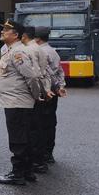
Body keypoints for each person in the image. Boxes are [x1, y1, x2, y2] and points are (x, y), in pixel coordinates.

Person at [0, 20, 46, 185]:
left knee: (18, 140)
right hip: (15, 101)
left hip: (17, 102)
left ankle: (18, 174)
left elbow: (31, 76)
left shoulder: (18, 52)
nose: (2, 32)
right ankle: (27, 171)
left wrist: (36, 95)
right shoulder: (12, 50)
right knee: (25, 138)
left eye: (6, 30)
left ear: (15, 34)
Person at [21, 27, 53, 174]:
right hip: (40, 91)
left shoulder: (30, 49)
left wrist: (36, 94)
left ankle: (36, 162)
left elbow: (33, 76)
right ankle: (39, 160)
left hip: (33, 94)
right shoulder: (38, 48)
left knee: (33, 130)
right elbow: (45, 73)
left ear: (24, 35)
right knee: (37, 128)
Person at [35, 26, 66, 165]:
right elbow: (60, 71)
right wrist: (60, 86)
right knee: (50, 123)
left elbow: (47, 73)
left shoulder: (40, 52)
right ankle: (49, 153)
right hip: (53, 92)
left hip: (44, 92)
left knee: (40, 124)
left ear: (38, 38)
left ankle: (42, 155)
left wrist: (53, 86)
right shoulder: (53, 51)